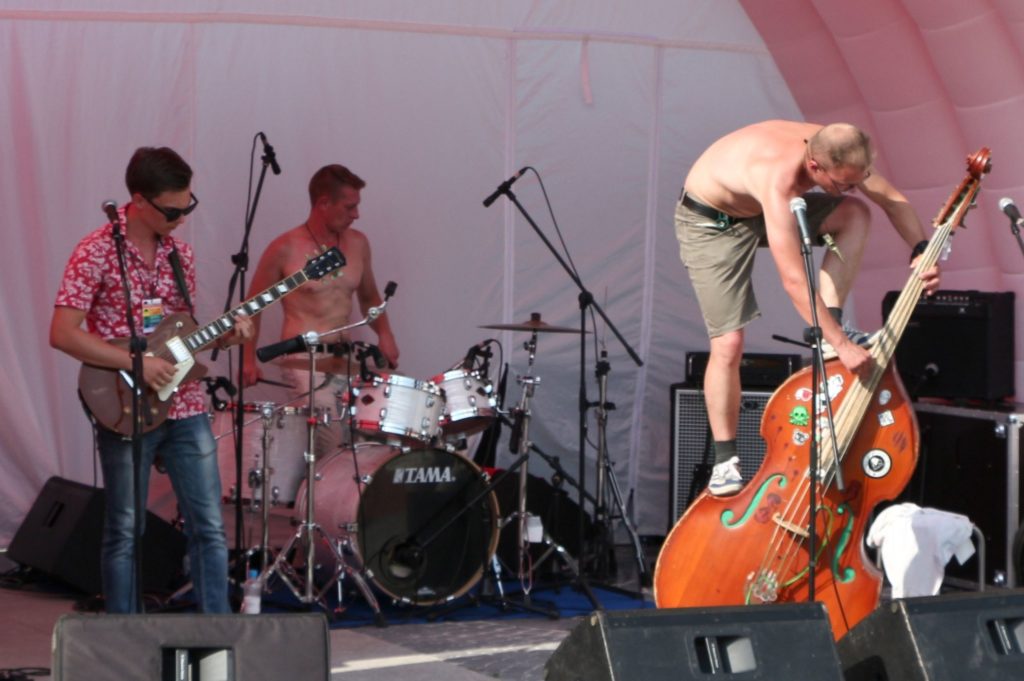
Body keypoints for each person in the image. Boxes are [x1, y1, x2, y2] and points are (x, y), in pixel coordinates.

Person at [675, 120, 940, 496]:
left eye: (856, 179)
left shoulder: (840, 147)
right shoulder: (777, 177)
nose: (849, 188)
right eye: (842, 183)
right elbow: (794, 280)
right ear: (815, 167)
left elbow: (890, 199)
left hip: (754, 207)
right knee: (729, 343)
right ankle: (725, 459)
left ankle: (831, 327)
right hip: (712, 222)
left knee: (855, 213)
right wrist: (844, 346)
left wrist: (921, 251)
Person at [50, 147, 253, 612]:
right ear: (138, 201)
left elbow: (179, 337)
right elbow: (62, 333)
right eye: (173, 210)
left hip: (184, 405)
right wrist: (133, 364)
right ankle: (125, 635)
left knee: (209, 526)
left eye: (188, 206)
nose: (182, 218)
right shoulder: (96, 250)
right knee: (125, 528)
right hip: (123, 404)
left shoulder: (180, 255)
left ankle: (216, 638)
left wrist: (225, 337)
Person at [242, 164, 399, 453]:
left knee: (363, 444)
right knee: (329, 444)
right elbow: (252, 307)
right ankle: (315, 496)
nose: (356, 215)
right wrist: (248, 359)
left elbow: (369, 297)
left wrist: (385, 335)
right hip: (304, 360)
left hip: (345, 357)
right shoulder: (285, 247)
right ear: (324, 203)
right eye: (350, 207)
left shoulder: (358, 243)